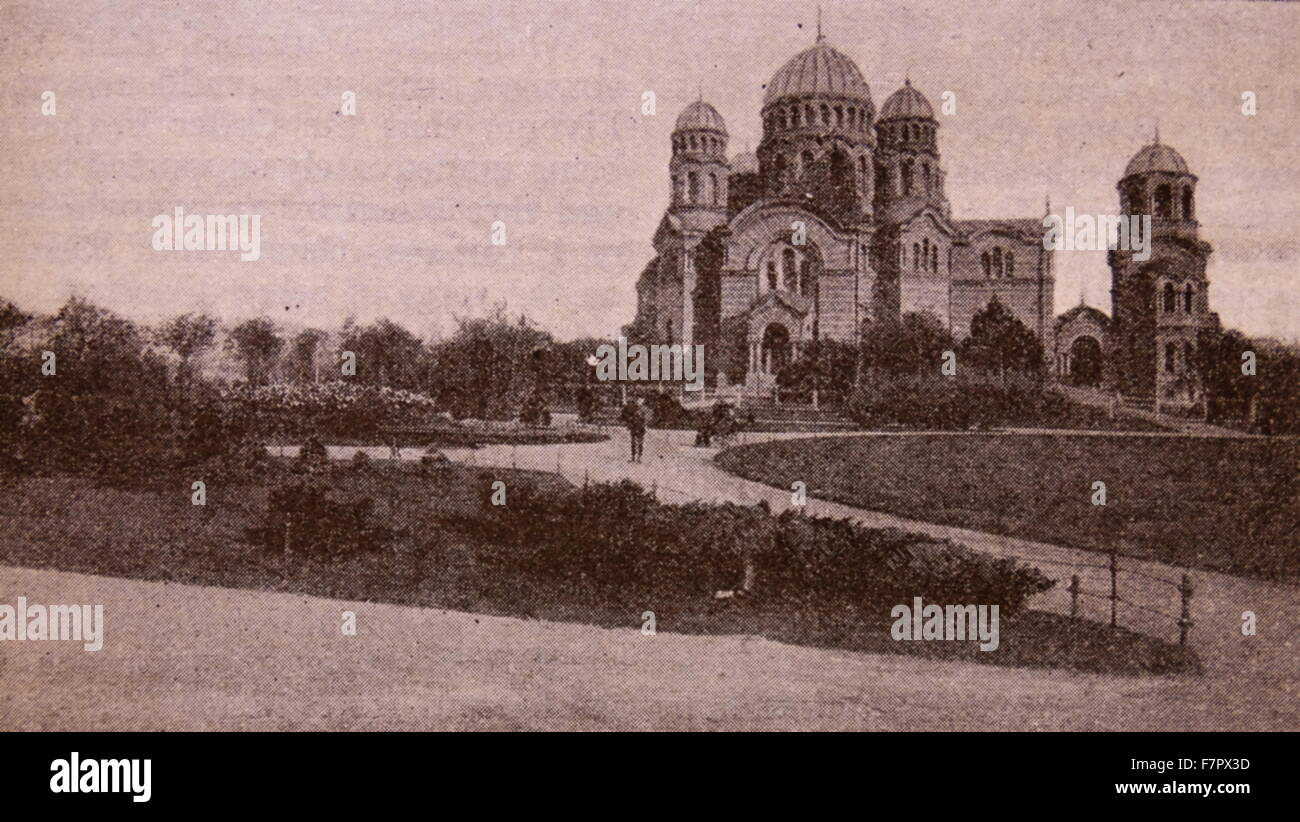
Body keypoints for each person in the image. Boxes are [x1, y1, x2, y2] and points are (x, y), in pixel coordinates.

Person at [620, 396, 648, 462]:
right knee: (633, 442)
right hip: (634, 427)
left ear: (643, 401)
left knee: (640, 442)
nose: (639, 402)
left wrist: (644, 425)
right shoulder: (633, 408)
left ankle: (639, 457)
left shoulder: (644, 409)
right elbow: (628, 416)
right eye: (638, 400)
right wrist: (629, 423)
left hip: (640, 427)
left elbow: (646, 419)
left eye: (641, 401)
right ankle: (633, 456)